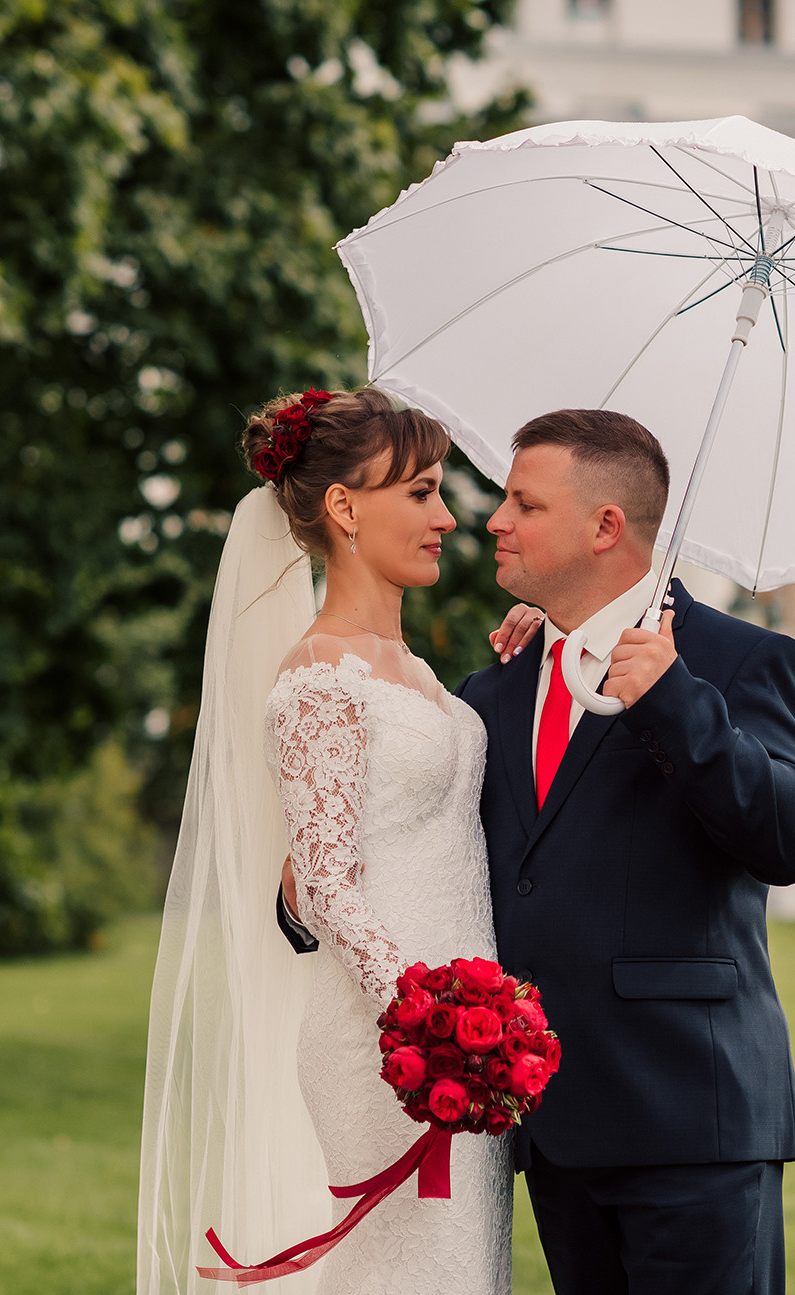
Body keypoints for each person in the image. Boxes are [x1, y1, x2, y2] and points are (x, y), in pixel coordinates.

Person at [140, 387, 518, 1294]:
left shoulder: (421, 671)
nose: (445, 518)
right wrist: (426, 1020)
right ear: (345, 507)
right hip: (388, 1043)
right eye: (421, 492)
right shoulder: (319, 676)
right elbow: (325, 881)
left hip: (469, 1041)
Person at [455, 409, 795, 1295]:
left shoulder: (740, 661)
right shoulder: (497, 683)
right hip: (552, 1126)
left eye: (524, 503)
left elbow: (792, 837)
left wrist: (676, 701)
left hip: (693, 1119)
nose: (496, 520)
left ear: (605, 526)